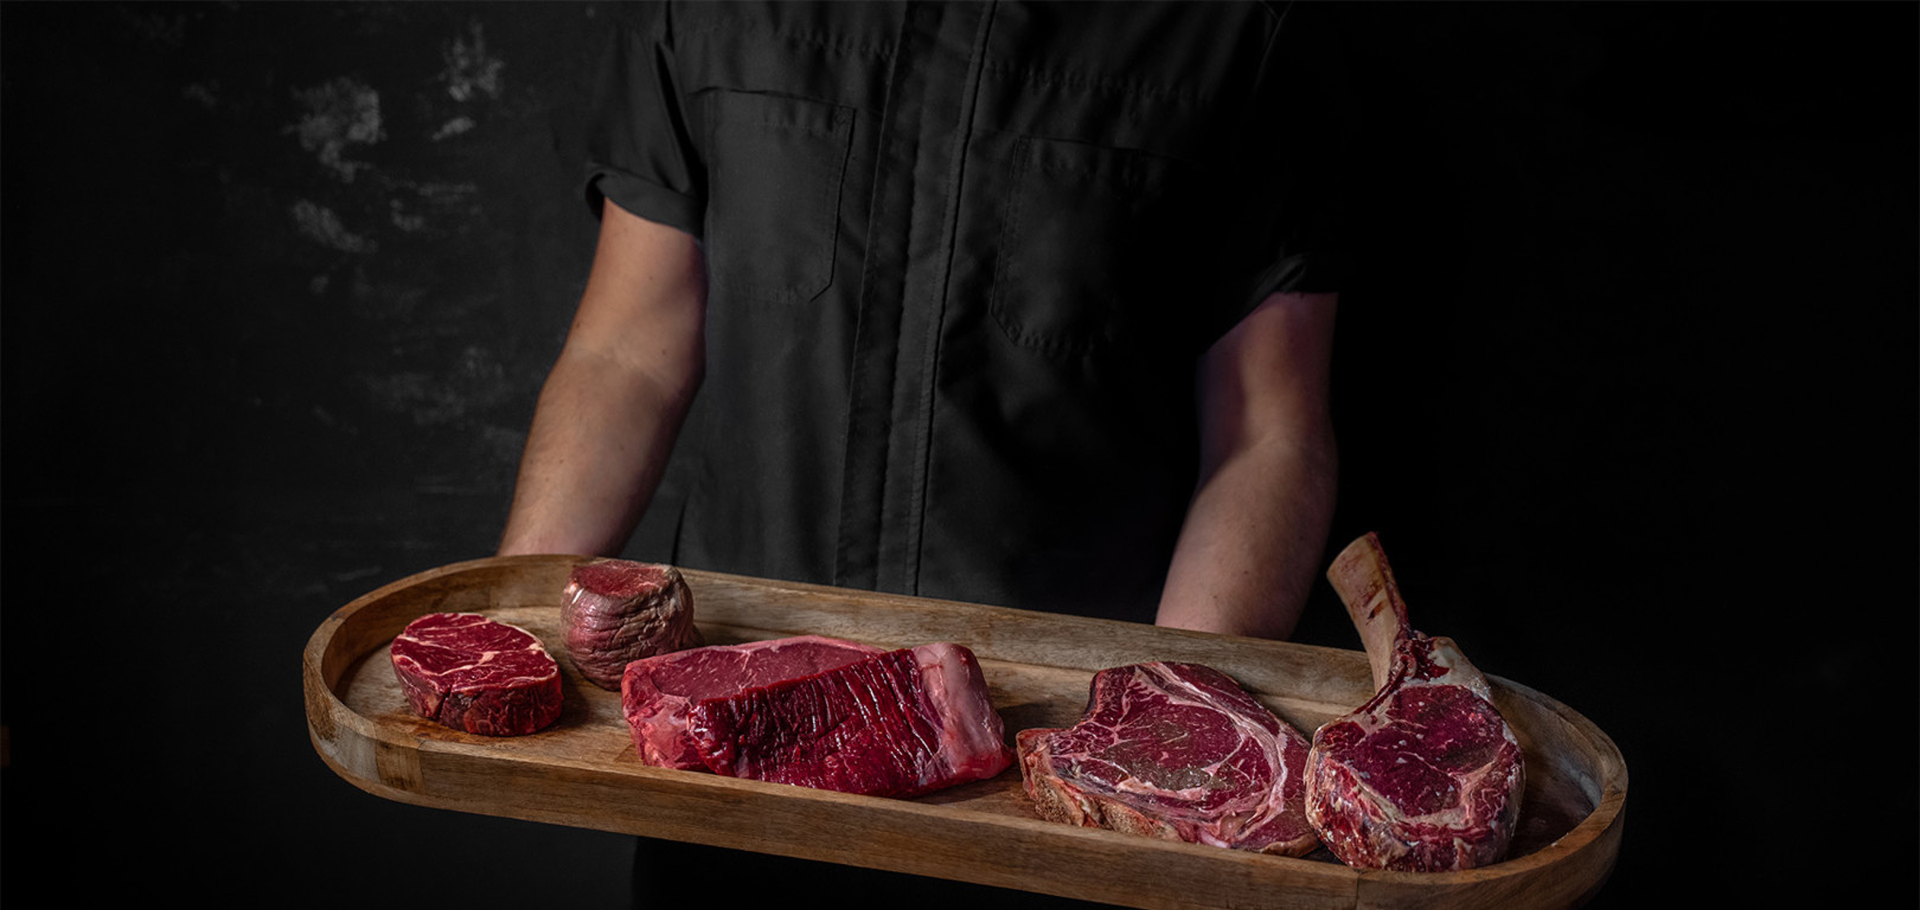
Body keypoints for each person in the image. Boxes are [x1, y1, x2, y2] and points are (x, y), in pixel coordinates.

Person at [497, 2, 1343, 904]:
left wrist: (1176, 750)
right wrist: (504, 628)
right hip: (727, 746)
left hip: (1056, 776)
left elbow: (1266, 432)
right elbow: (627, 351)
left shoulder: (1241, 31)